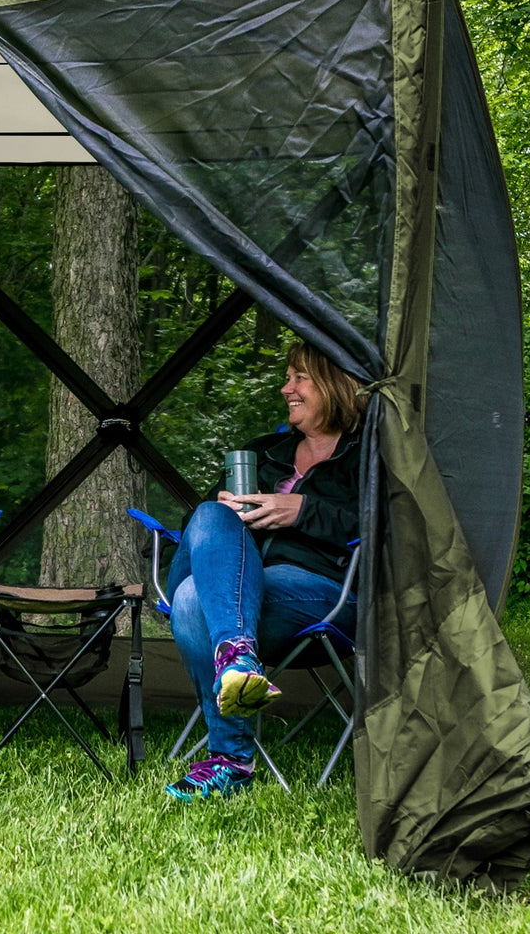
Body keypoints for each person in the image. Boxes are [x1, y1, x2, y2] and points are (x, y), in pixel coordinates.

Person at [165, 342, 367, 801]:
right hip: (241, 587)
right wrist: (224, 510)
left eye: (299, 378)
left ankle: (231, 758)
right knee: (207, 523)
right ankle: (237, 657)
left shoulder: (369, 456)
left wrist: (302, 511)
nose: (286, 388)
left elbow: (391, 525)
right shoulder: (264, 454)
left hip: (325, 594)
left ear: (334, 384)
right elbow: (198, 530)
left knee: (195, 600)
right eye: (287, 377)